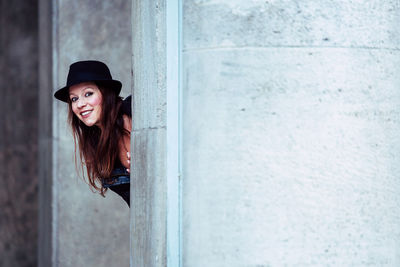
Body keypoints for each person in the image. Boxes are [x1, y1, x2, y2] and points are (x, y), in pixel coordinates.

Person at [54, 60, 131, 206]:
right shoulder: (97, 140)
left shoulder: (135, 115)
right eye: (74, 99)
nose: (80, 104)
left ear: (106, 93)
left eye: (88, 94)